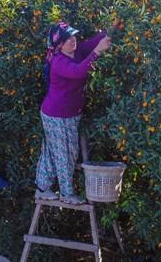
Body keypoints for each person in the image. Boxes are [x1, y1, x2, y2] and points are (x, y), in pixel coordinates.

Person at [35, 20, 116, 205]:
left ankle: (42, 188)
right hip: (57, 116)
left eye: (73, 37)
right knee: (66, 154)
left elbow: (93, 41)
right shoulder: (59, 62)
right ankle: (66, 193)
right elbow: (79, 71)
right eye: (68, 39)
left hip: (68, 114)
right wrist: (97, 52)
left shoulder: (76, 50)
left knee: (53, 152)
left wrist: (112, 27)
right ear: (59, 45)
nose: (73, 41)